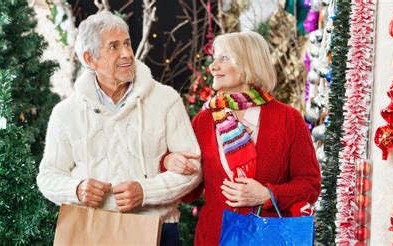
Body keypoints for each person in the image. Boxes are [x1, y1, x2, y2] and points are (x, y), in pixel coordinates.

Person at [36, 11, 201, 246]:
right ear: (90, 59)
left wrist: (146, 192)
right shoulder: (65, 113)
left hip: (157, 231)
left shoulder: (166, 100)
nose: (126, 54)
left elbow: (193, 168)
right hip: (89, 232)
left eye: (127, 44)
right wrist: (77, 189)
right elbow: (48, 177)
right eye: (113, 47)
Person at [163, 31, 321, 245]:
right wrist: (169, 162)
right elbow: (188, 192)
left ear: (248, 63)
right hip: (214, 237)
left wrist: (267, 195)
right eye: (214, 58)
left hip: (270, 238)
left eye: (224, 58)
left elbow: (310, 185)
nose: (213, 67)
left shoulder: (288, 119)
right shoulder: (204, 120)